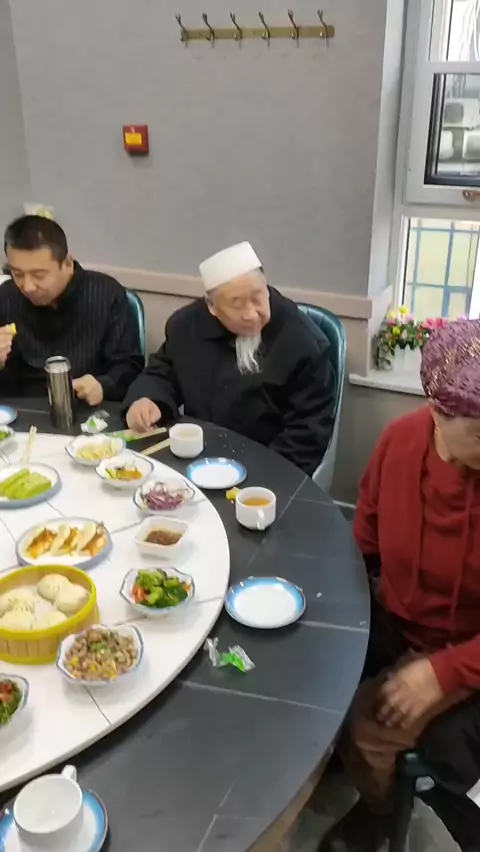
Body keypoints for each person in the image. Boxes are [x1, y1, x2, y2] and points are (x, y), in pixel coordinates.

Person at [317, 320, 480, 852]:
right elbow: (365, 535)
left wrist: (443, 672)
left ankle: (381, 813)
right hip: (396, 615)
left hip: (466, 647)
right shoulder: (401, 440)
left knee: (370, 726)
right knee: (306, 673)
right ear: (437, 412)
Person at [124, 242, 335, 474]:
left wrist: (258, 475)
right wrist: (147, 399)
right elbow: (164, 370)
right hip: (196, 458)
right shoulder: (186, 327)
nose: (251, 314)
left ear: (266, 288)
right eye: (237, 305)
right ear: (211, 306)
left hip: (267, 467)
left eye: (257, 298)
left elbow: (307, 433)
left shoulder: (304, 343)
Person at [0, 215, 143, 404]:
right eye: (17, 274)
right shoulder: (6, 296)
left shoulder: (107, 295)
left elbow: (129, 366)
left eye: (39, 275)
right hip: (24, 409)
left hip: (89, 409)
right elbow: (8, 385)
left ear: (67, 263)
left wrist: (104, 385)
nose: (28, 287)